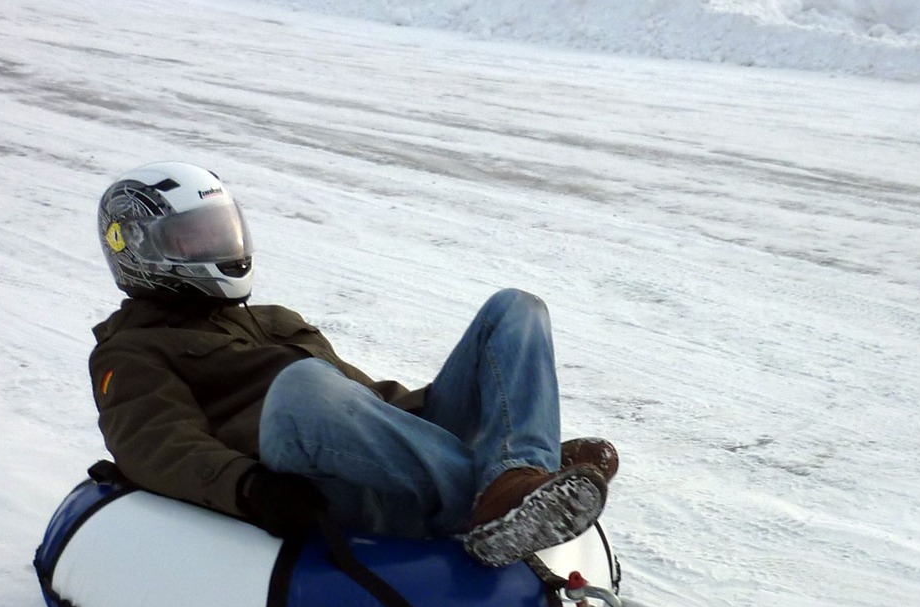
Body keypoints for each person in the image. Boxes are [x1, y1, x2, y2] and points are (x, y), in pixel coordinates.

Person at [87, 161, 617, 567]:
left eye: (220, 230)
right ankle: (489, 499)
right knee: (303, 385)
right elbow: (156, 446)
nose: (219, 246)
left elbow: (362, 403)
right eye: (196, 237)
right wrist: (250, 488)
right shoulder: (130, 351)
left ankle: (518, 474)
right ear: (138, 250)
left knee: (515, 308)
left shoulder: (270, 319)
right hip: (311, 479)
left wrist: (429, 409)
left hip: (382, 457)